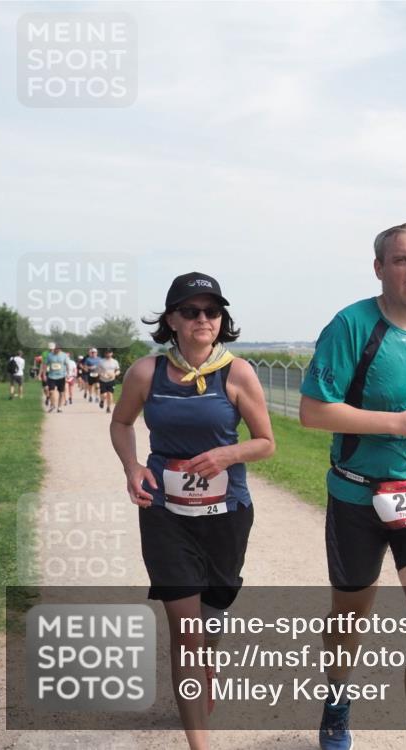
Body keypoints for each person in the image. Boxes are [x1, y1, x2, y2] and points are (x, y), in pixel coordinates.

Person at [299, 222, 406, 750]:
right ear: (379, 268)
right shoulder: (351, 326)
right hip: (357, 493)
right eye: (401, 260)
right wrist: (397, 422)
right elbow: (312, 411)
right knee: (351, 616)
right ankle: (337, 699)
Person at [109, 272, 274, 750]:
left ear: (222, 320)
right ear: (171, 320)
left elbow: (266, 443)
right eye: (191, 311)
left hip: (227, 514)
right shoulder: (146, 372)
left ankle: (207, 657)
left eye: (212, 311)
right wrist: (131, 465)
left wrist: (227, 455)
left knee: (212, 615)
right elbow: (121, 423)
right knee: (185, 630)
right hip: (166, 512)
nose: (203, 319)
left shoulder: (237, 372)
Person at [42, 342, 69, 413]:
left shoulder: (64, 355)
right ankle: (53, 405)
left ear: (60, 349)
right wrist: (44, 374)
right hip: (51, 376)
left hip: (61, 376)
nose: (56, 350)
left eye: (58, 349)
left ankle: (59, 407)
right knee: (51, 392)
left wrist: (68, 374)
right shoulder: (49, 355)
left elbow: (67, 365)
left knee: (61, 393)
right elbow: (45, 365)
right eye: (55, 349)